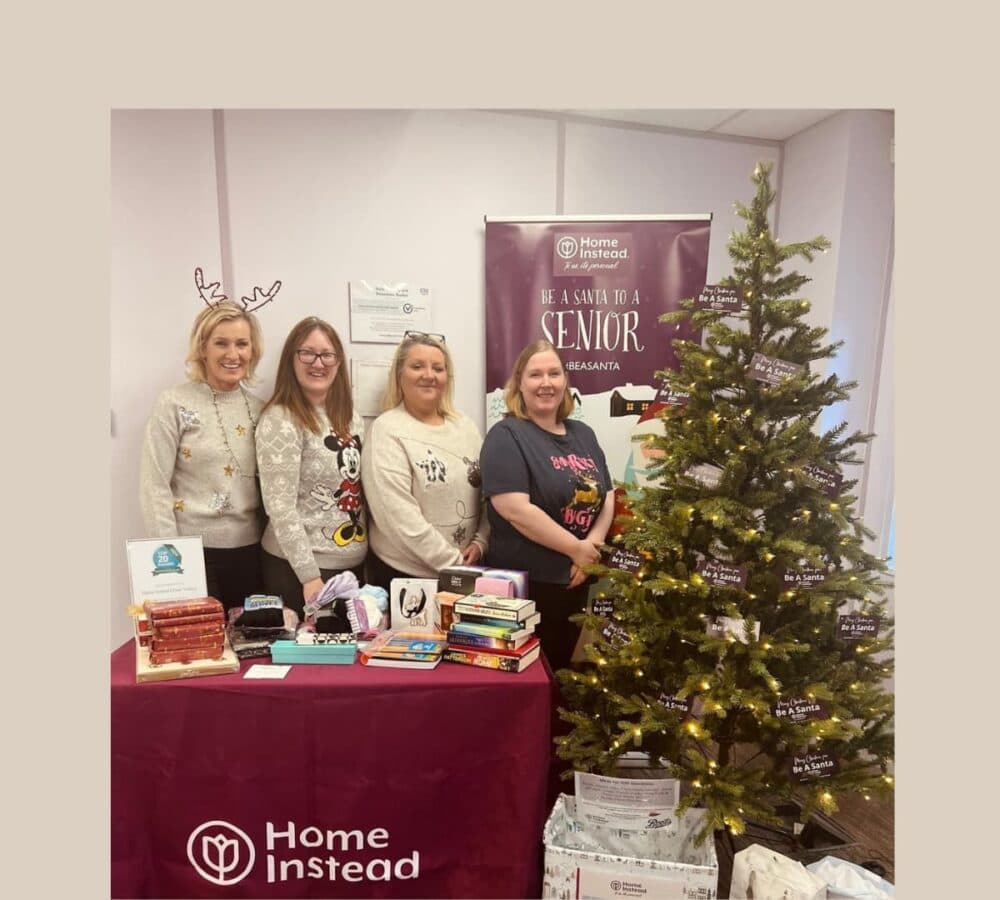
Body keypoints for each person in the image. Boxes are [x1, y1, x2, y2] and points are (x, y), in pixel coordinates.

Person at [480, 340, 615, 673]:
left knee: (564, 679)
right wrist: (577, 549)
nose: (546, 383)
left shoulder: (583, 433)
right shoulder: (505, 435)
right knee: (530, 684)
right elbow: (515, 510)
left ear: (565, 381)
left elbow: (608, 494)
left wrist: (591, 551)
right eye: (535, 374)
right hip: (526, 590)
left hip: (576, 580)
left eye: (554, 373)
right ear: (520, 384)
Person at [139, 302, 265, 613]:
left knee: (250, 651)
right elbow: (154, 485)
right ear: (203, 348)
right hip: (191, 556)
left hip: (252, 555)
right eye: (221, 343)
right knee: (197, 651)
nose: (232, 354)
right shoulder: (173, 403)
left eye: (241, 344)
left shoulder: (262, 409)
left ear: (253, 350)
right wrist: (169, 559)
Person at [255, 317, 367, 618]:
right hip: (300, 572)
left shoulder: (349, 416)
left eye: (327, 354)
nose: (318, 363)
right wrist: (309, 575)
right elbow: (280, 507)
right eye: (307, 353)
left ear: (339, 361)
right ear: (291, 359)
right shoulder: (281, 419)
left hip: (352, 565)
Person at [361, 331, 488, 587]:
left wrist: (481, 541)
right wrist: (454, 564)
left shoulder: (466, 427)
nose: (429, 375)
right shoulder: (387, 430)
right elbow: (397, 517)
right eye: (417, 366)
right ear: (399, 375)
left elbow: (489, 492)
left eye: (438, 368)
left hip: (466, 571)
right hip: (407, 578)